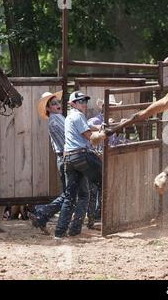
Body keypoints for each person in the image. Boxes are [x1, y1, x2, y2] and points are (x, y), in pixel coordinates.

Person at [28, 91, 89, 235]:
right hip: (69, 157)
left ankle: (42, 214)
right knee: (74, 195)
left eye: (58, 102)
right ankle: (44, 214)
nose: (58, 105)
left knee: (70, 194)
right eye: (53, 104)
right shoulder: (56, 120)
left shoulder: (58, 118)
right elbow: (73, 136)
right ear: (48, 108)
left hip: (65, 158)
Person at [54, 91, 102, 239]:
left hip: (69, 158)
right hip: (81, 156)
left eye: (85, 101)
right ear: (73, 104)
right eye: (81, 101)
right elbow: (91, 137)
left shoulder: (70, 117)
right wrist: (107, 133)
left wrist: (101, 127)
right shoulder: (79, 116)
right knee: (102, 181)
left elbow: (88, 128)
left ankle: (60, 232)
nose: (84, 104)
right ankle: (78, 228)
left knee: (71, 197)